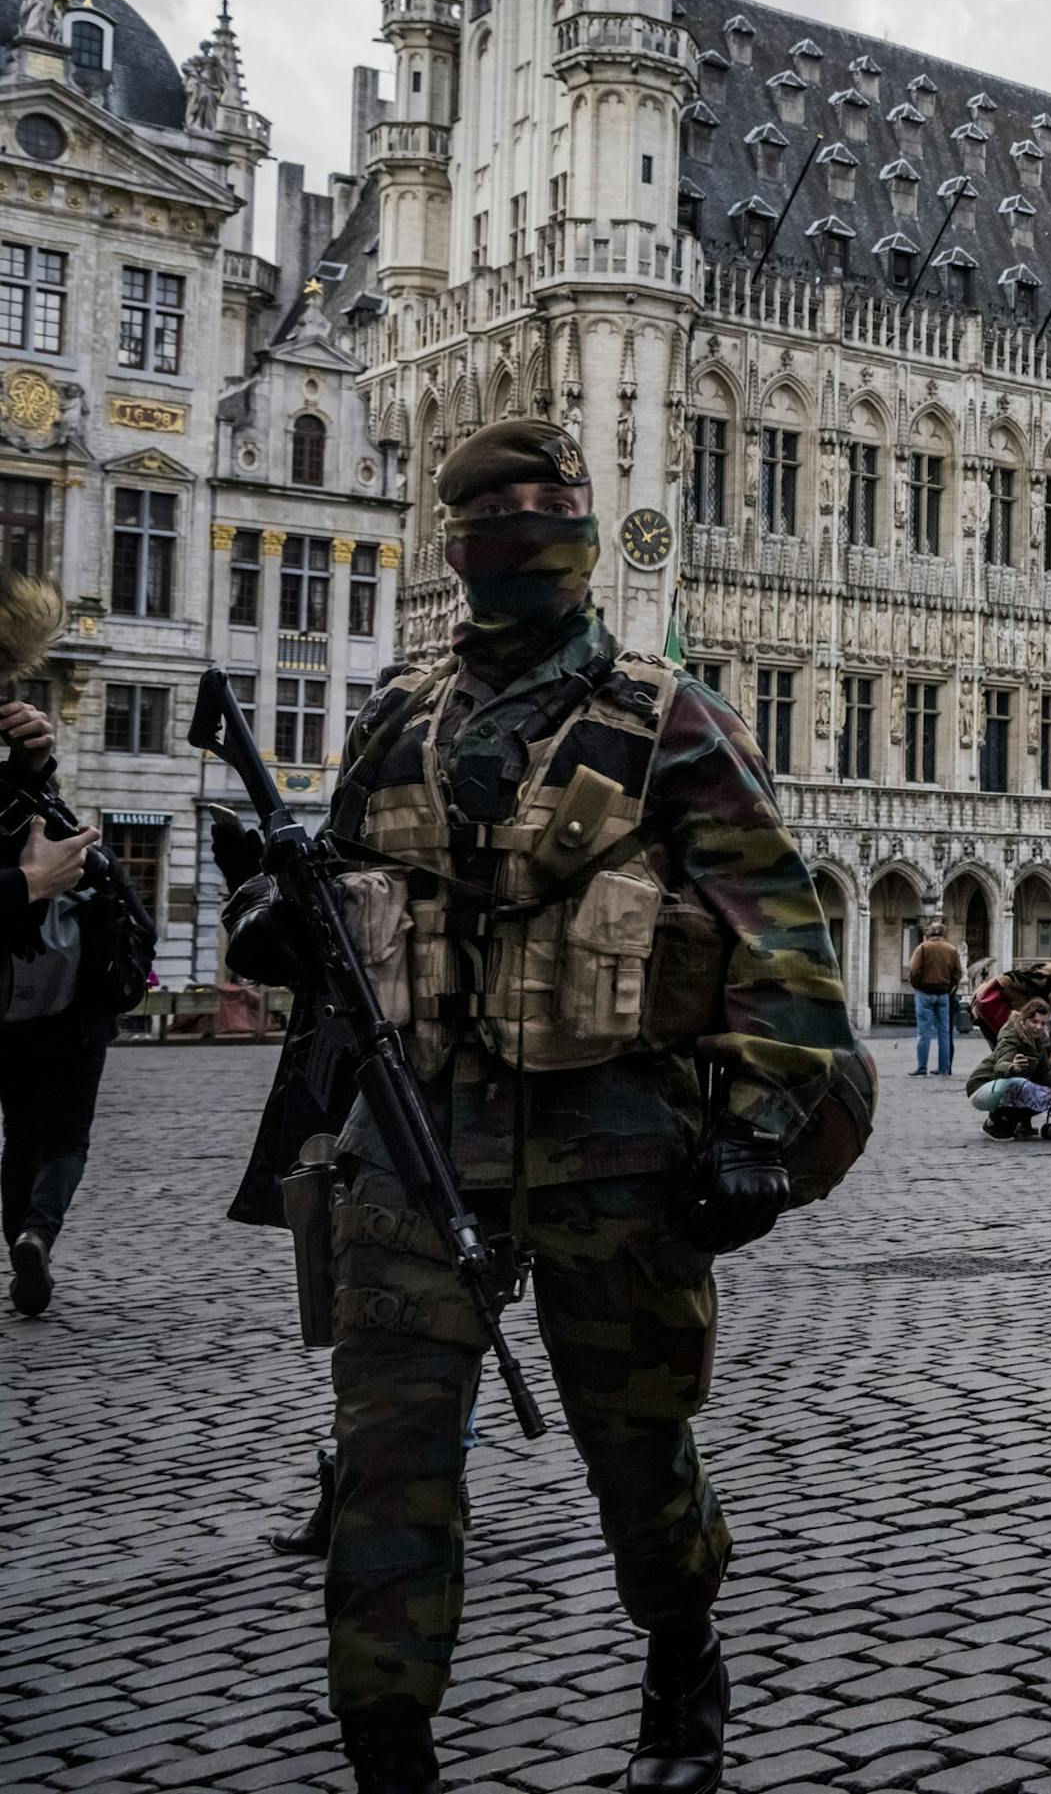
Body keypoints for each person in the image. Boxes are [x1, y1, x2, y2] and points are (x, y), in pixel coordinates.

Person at [221, 419, 869, 1794]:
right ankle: (388, 1749)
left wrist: (757, 1131)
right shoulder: (396, 716)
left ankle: (681, 1659)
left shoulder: (667, 718)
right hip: (414, 1148)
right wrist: (274, 921)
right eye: (502, 511)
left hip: (618, 1152)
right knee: (390, 1468)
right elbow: (337, 907)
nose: (531, 530)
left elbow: (783, 940)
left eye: (552, 504)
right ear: (459, 547)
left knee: (639, 1461)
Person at [1, 693, 107, 1319]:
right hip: (73, 1010)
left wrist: (31, 767)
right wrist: (31, 883)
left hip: (17, 1004)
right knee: (64, 1140)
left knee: (21, 1135)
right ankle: (35, 1235)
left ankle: (23, 1245)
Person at [966, 999, 1051, 1137]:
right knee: (1020, 1084)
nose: (1039, 1027)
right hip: (982, 1086)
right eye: (1034, 1022)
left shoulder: (1039, 1043)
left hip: (1007, 1086)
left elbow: (1044, 1071)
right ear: (1024, 1019)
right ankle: (995, 1120)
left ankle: (1012, 1121)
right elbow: (1001, 1066)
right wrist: (1012, 1067)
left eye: (1043, 1023)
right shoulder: (1011, 1037)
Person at [905, 919, 964, 1078]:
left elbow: (914, 970)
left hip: (924, 992)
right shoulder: (951, 950)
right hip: (943, 994)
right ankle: (944, 1068)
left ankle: (922, 1067)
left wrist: (917, 985)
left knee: (924, 1032)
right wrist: (949, 986)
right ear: (944, 933)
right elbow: (958, 973)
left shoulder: (923, 948)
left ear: (929, 933)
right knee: (944, 1033)